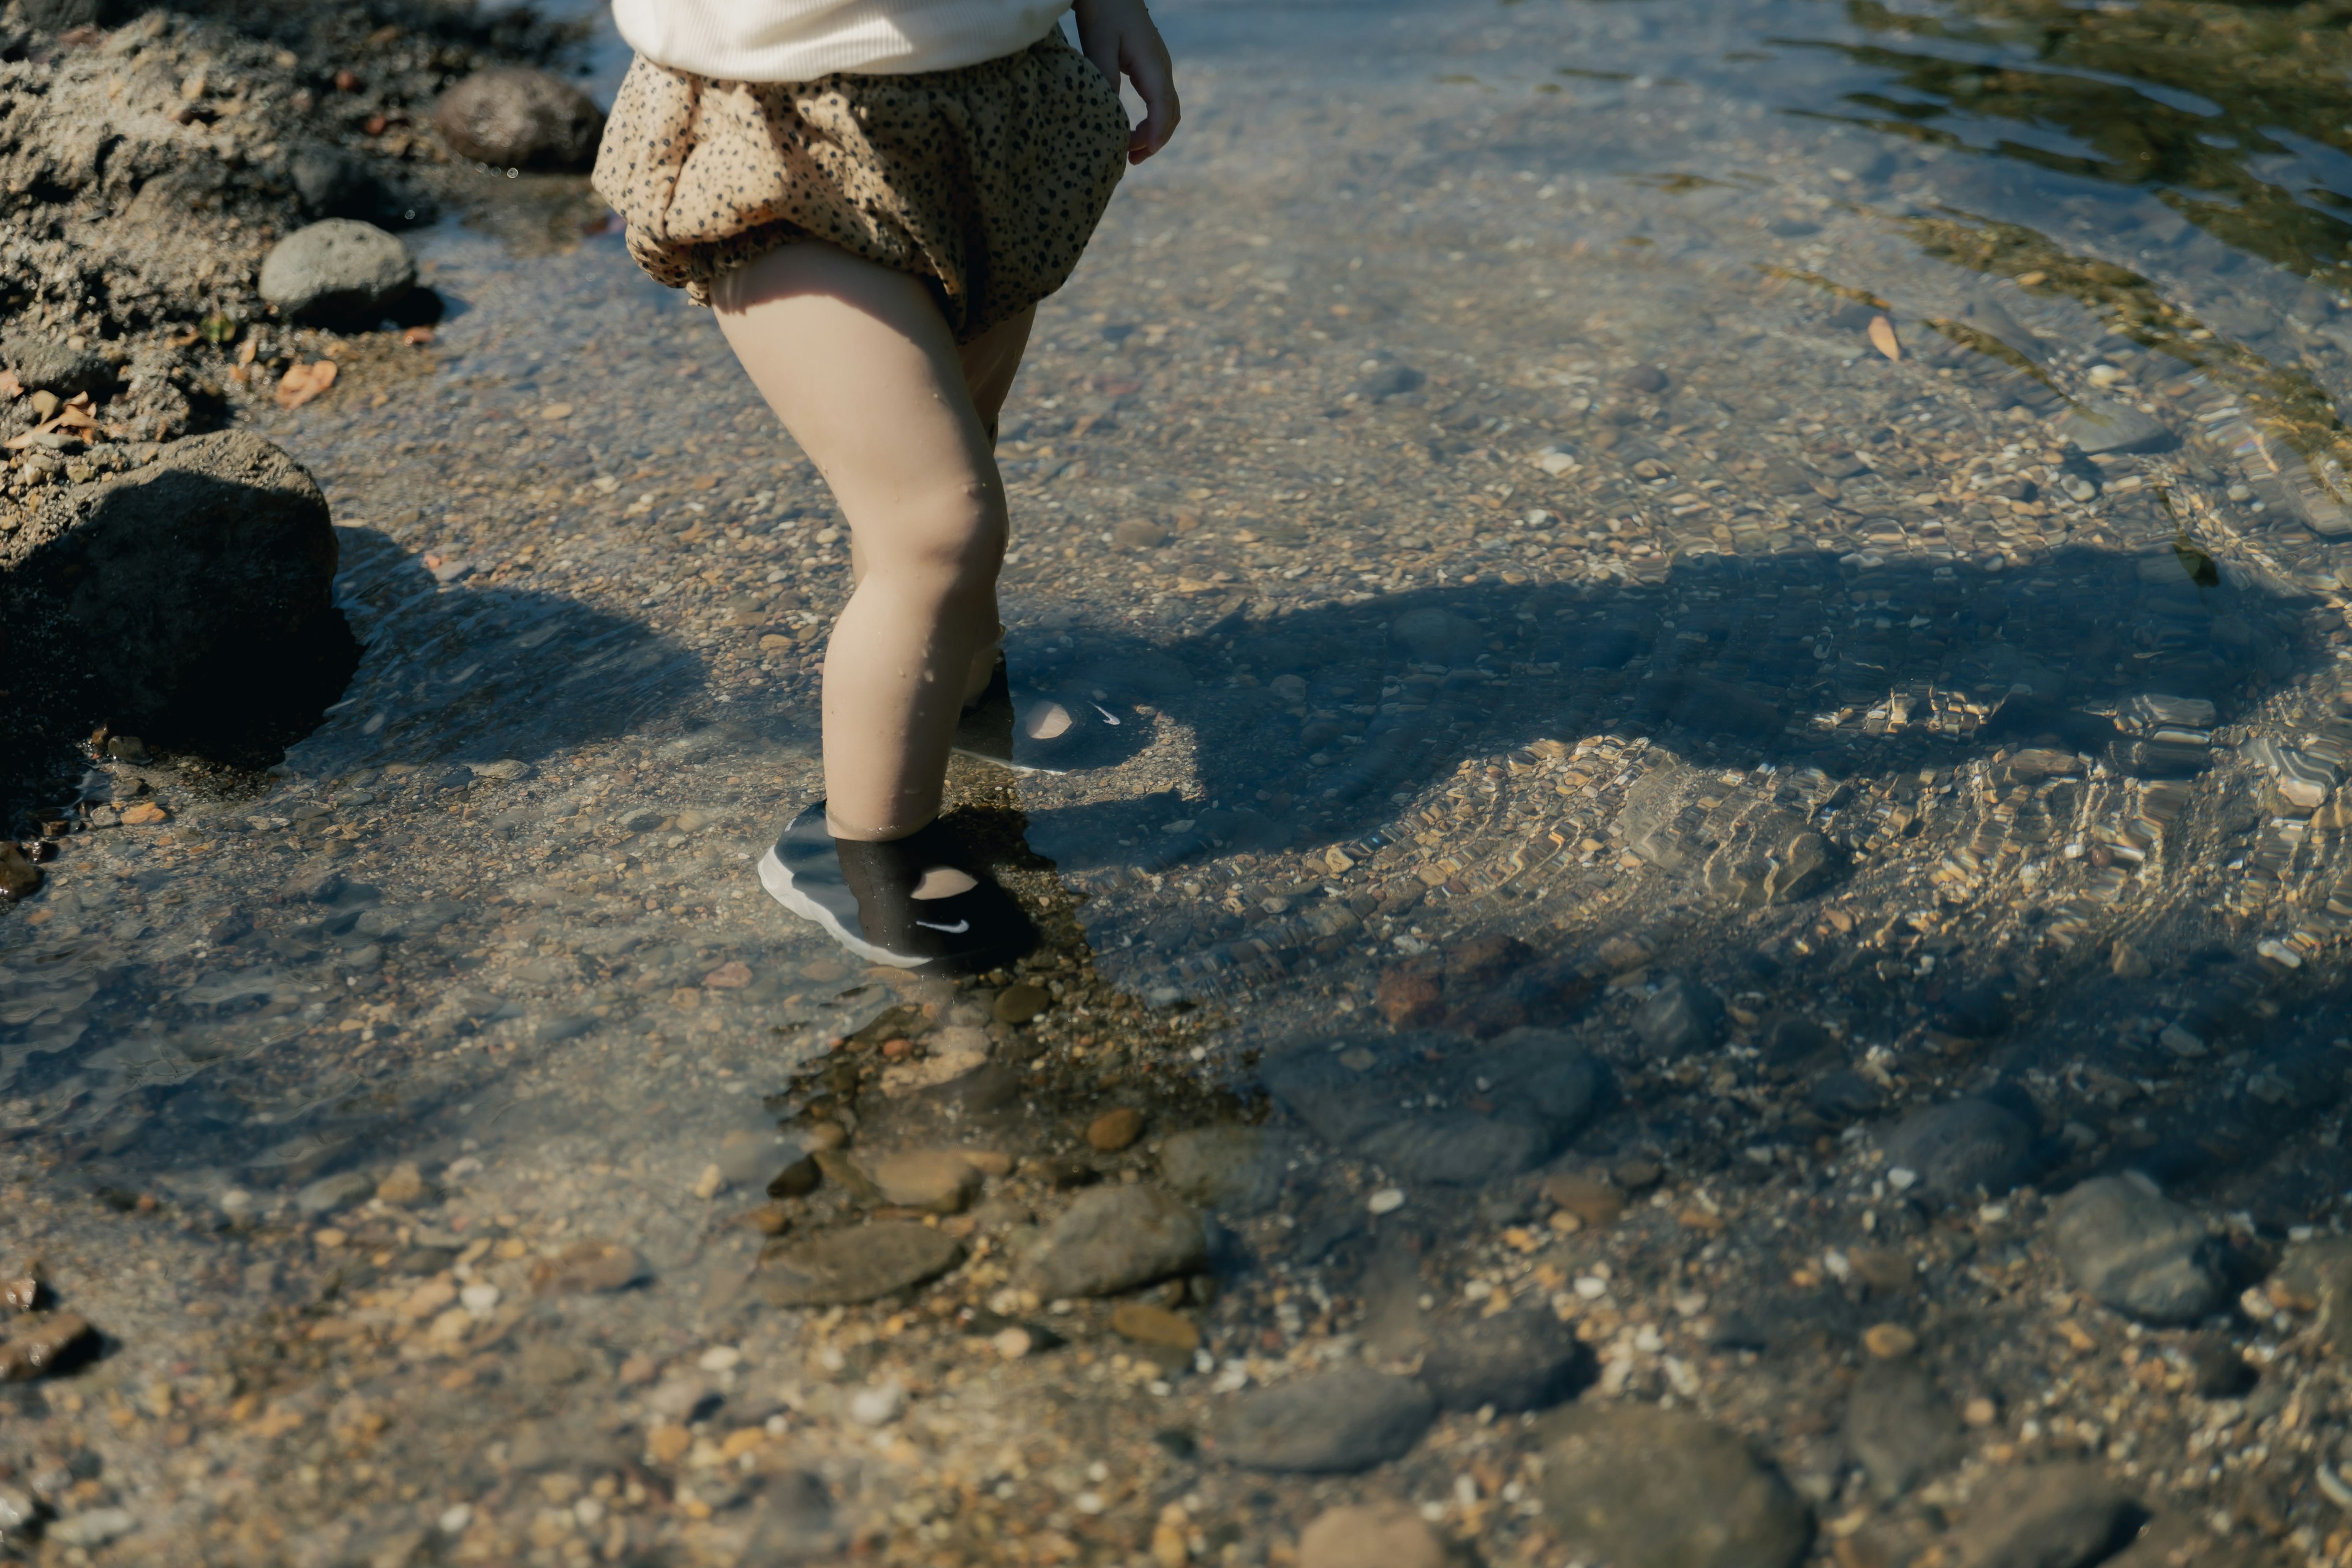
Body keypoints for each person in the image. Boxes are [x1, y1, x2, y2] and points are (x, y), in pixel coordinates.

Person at [594, 0, 1179, 971]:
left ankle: (961, 696)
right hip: (780, 126)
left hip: (998, 100)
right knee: (937, 522)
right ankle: (866, 845)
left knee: (959, 442)